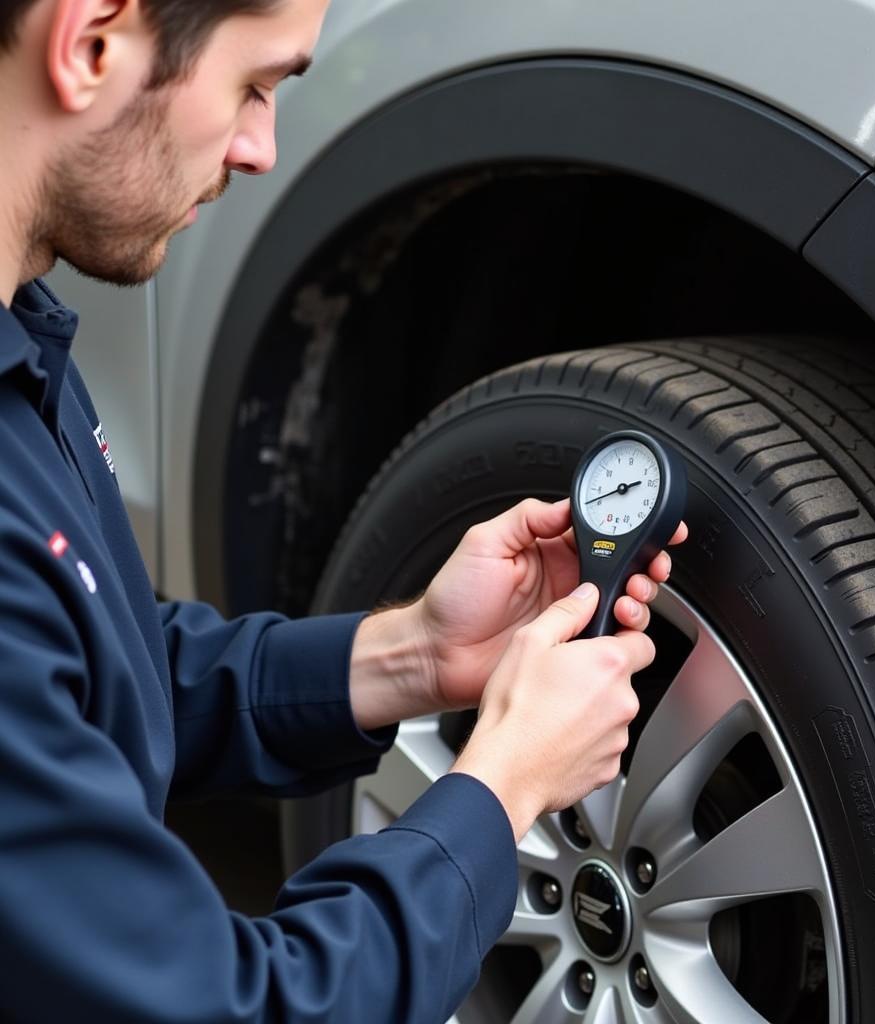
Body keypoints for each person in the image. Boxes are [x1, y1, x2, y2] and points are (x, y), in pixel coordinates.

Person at [0, 0, 687, 1021]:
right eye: (255, 86)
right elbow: (225, 1008)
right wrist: (498, 792)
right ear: (92, 40)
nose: (261, 147)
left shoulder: (25, 344)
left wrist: (411, 654)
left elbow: (94, 681)